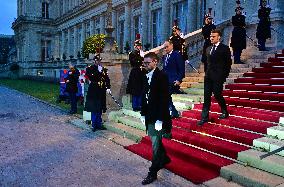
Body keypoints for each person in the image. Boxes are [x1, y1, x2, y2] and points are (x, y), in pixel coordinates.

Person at [140, 52, 172, 185]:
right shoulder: (144, 75)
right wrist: (142, 113)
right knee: (156, 141)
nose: (145, 65)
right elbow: (144, 96)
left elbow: (164, 100)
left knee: (155, 144)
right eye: (144, 63)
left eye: (148, 63)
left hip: (158, 116)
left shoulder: (162, 76)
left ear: (155, 62)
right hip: (149, 115)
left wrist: (160, 119)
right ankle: (164, 159)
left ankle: (152, 172)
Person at [197, 29, 232, 126]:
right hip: (208, 76)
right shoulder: (208, 49)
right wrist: (206, 73)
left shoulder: (224, 48)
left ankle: (224, 111)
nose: (211, 38)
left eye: (214, 36)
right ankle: (204, 117)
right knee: (206, 97)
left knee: (217, 94)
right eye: (211, 36)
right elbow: (206, 63)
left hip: (218, 77)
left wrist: (223, 76)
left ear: (219, 37)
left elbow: (228, 64)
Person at [84, 54, 111, 132]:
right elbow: (91, 77)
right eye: (96, 60)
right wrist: (97, 71)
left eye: (99, 60)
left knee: (100, 108)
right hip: (94, 89)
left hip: (101, 90)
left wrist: (108, 87)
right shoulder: (90, 69)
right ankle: (94, 125)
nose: (98, 62)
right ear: (94, 61)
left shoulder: (104, 69)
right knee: (94, 108)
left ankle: (99, 124)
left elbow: (107, 79)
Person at [162, 39, 185, 118]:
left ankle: (173, 112)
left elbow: (181, 69)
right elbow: (165, 69)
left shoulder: (177, 55)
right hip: (166, 81)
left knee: (166, 95)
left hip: (173, 81)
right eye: (164, 48)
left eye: (167, 47)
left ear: (172, 45)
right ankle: (173, 112)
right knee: (166, 96)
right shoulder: (165, 57)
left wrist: (179, 80)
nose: (165, 49)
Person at [126, 35, 144, 111]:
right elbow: (133, 62)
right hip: (135, 72)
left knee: (140, 89)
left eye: (139, 46)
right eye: (137, 45)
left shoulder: (141, 53)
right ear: (134, 46)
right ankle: (135, 105)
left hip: (141, 72)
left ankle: (140, 105)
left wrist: (142, 57)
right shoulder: (132, 53)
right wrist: (141, 58)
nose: (138, 47)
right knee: (135, 90)